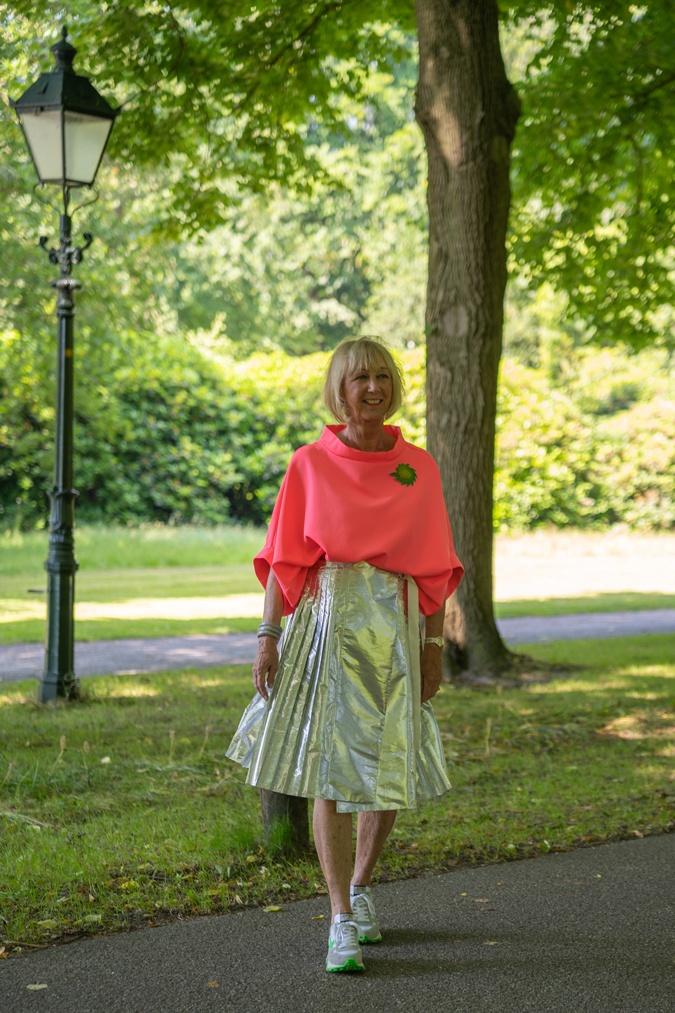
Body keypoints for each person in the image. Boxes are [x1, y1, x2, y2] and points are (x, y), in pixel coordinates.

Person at [227, 337, 463, 973]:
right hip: (327, 625)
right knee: (329, 766)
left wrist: (434, 646)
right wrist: (267, 636)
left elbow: (435, 568)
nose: (373, 388)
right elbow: (284, 559)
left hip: (396, 629)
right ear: (340, 388)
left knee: (390, 765)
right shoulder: (309, 464)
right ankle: (337, 918)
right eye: (359, 378)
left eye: (383, 376)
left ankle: (361, 887)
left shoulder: (421, 467)